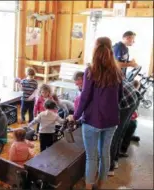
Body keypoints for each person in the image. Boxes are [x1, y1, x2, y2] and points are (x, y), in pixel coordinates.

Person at [67, 37, 123, 190]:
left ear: (95, 49)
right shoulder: (117, 70)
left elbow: (85, 96)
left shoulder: (91, 71)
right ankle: (101, 185)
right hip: (111, 121)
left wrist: (75, 116)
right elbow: (120, 96)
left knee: (91, 157)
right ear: (110, 50)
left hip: (92, 121)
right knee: (105, 154)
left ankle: (88, 187)